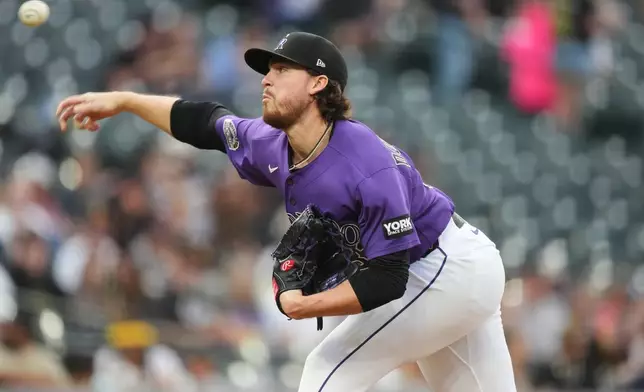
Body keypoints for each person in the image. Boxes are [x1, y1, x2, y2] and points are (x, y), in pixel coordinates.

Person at [56, 31, 517, 392]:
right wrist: (127, 101)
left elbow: (389, 277)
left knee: (327, 368)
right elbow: (203, 122)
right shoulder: (273, 142)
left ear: (319, 84)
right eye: (267, 69)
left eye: (281, 69)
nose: (267, 78)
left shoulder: (364, 161)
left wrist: (305, 305)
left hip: (442, 267)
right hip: (451, 271)